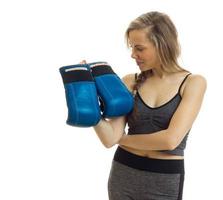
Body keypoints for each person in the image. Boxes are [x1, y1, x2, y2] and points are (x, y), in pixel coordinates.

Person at [82, 11, 207, 200]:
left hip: (164, 180)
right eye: (132, 48)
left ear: (162, 45)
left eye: (139, 48)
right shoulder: (129, 82)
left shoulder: (193, 83)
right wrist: (89, 99)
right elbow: (109, 139)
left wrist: (120, 139)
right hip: (123, 173)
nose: (133, 55)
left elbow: (170, 140)